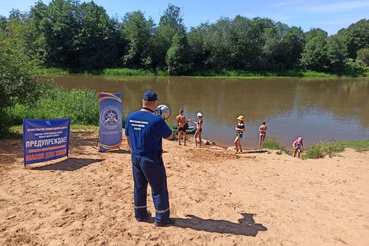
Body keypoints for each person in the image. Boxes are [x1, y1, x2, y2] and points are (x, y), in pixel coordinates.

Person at [125, 90, 175, 227]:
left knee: (139, 187)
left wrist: (133, 151)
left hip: (136, 157)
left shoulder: (131, 116)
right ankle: (161, 218)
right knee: (159, 188)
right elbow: (170, 136)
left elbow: (127, 136)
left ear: (143, 101)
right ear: (154, 103)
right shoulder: (157, 120)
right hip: (151, 159)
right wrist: (163, 121)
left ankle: (140, 214)